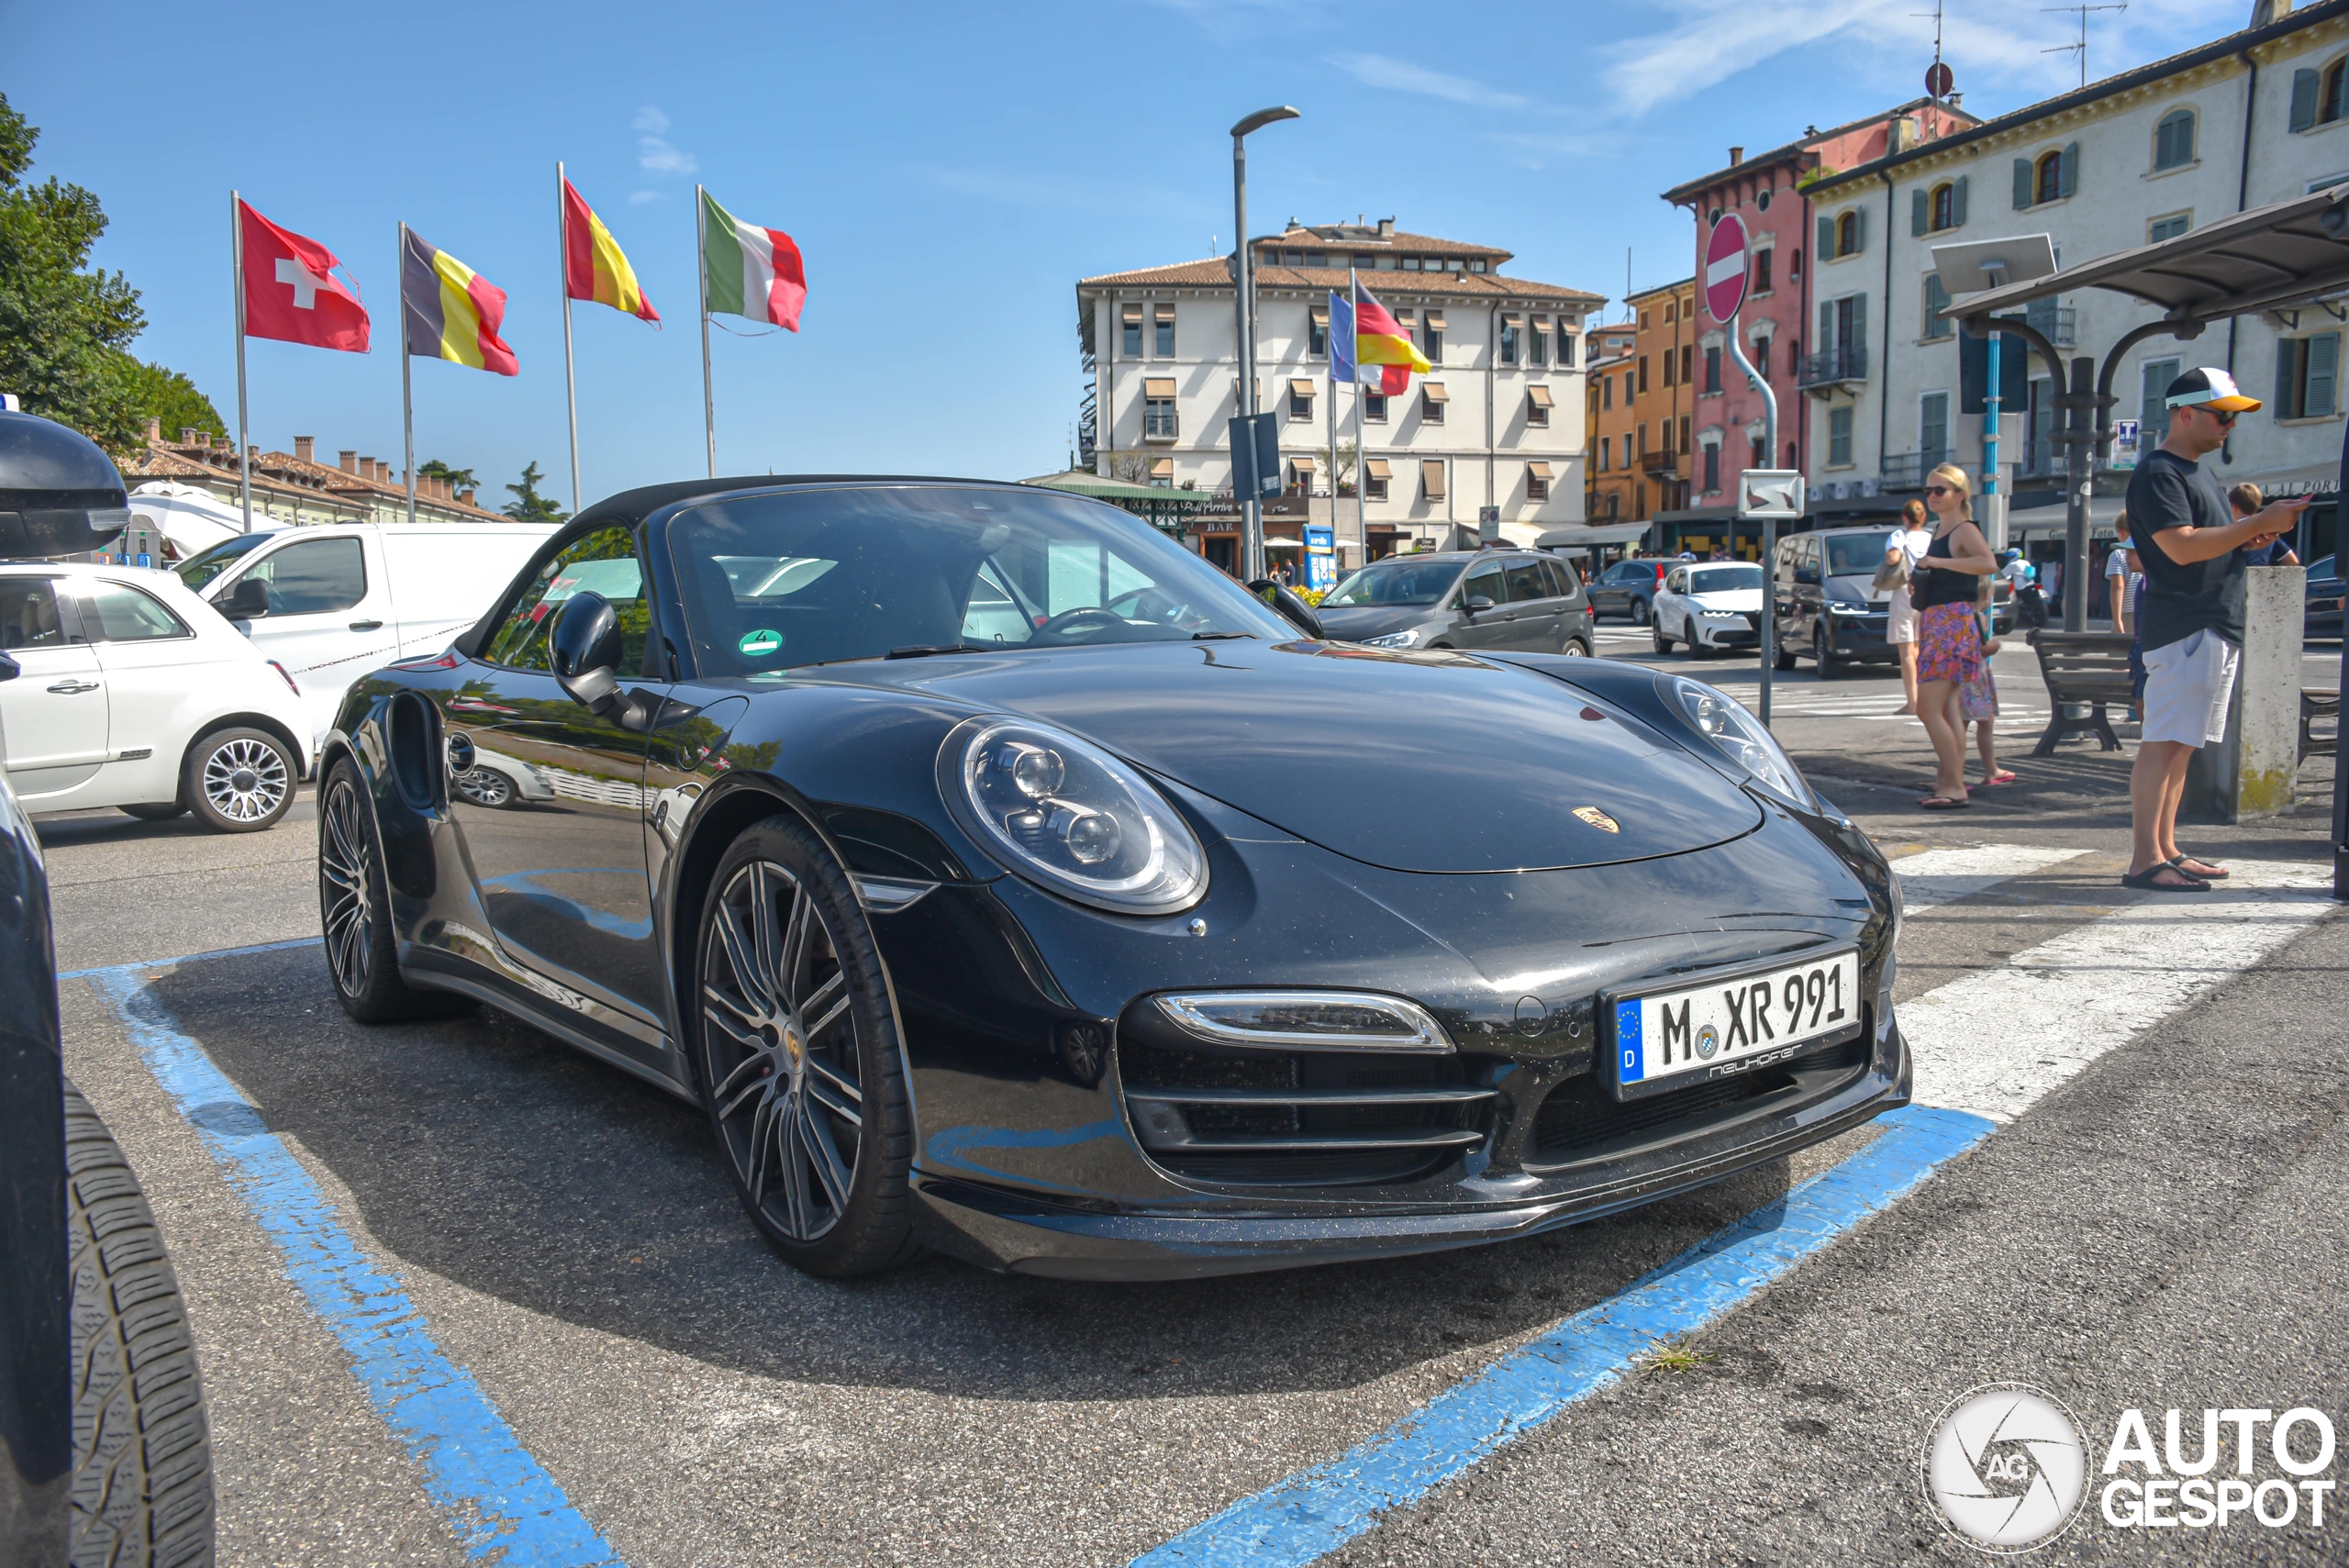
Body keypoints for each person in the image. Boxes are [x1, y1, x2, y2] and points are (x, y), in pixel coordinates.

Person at [2122, 368, 2310, 891]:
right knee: (2164, 742)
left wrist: (2245, 538)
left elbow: (2196, 542)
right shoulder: (2160, 473)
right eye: (2223, 415)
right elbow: (2180, 546)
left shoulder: (2193, 471)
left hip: (2207, 623)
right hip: (2187, 622)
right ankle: (2144, 860)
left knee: (2180, 744)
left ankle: (2165, 848)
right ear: (2186, 413)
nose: (2230, 425)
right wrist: (2255, 524)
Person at [1909, 465, 1999, 809]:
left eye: (1940, 490)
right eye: (1929, 490)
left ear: (1960, 494)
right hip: (1940, 621)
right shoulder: (1941, 528)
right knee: (1947, 710)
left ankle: (1955, 784)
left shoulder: (1963, 529)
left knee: (1927, 708)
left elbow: (1988, 563)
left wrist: (1940, 563)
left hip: (1951, 623)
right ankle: (1947, 781)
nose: (1932, 495)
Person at [1885, 499, 1933, 716]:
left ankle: (1912, 703)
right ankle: (1927, 699)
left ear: (1905, 518)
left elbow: (1893, 558)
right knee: (1923, 648)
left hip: (1905, 591)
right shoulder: (1932, 536)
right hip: (1929, 593)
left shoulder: (1899, 536)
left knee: (1907, 652)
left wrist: (1890, 556)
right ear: (1924, 517)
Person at [2232, 482, 2302, 566]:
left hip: (2237, 577)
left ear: (2234, 506)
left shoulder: (2231, 532)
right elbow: (2293, 561)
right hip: (2261, 577)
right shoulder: (2267, 533)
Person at [2106, 513, 2139, 632]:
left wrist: (2117, 620)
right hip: (2145, 608)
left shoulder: (2118, 555)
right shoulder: (2145, 551)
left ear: (2121, 531)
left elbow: (2118, 587)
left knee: (2119, 649)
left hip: (2126, 612)